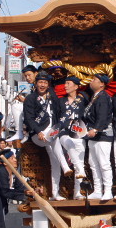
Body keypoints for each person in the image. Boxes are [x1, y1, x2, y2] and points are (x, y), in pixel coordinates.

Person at [23, 71, 72, 200]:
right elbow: (29, 118)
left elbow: (59, 111)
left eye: (45, 82)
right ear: (36, 83)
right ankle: (65, 166)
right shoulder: (30, 99)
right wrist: (38, 131)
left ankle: (55, 194)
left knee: (54, 162)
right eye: (40, 82)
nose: (42, 85)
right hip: (38, 134)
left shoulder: (52, 96)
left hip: (52, 133)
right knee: (54, 139)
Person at [57, 76, 90, 199]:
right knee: (68, 144)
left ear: (76, 86)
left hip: (78, 131)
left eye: (68, 83)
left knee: (80, 160)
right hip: (64, 132)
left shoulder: (82, 99)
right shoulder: (61, 101)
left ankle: (77, 192)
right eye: (65, 83)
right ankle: (81, 169)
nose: (65, 86)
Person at [82, 74, 114, 200]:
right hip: (92, 135)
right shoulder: (95, 97)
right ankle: (97, 190)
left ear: (102, 84)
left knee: (104, 163)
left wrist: (96, 129)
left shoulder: (103, 97)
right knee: (93, 163)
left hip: (102, 134)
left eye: (94, 80)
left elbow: (102, 116)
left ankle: (108, 190)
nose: (91, 81)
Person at [6, 64, 38, 142]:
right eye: (25, 76)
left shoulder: (39, 84)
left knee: (16, 106)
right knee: (16, 106)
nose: (27, 78)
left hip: (41, 112)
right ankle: (19, 132)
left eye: (29, 75)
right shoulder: (33, 86)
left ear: (36, 73)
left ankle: (20, 132)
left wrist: (25, 100)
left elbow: (38, 102)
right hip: (34, 111)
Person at [0, 149, 32, 215]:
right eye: (12, 158)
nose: (15, 160)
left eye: (15, 158)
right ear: (5, 162)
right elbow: (4, 192)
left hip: (3, 206)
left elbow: (20, 188)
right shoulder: (1, 173)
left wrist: (29, 192)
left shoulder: (14, 174)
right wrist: (24, 196)